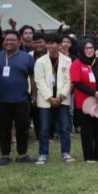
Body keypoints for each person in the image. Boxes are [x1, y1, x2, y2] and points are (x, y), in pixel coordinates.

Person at [0, 30, 35, 165]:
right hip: (1, 100)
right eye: (6, 40)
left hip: (22, 99)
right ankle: (5, 155)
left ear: (19, 42)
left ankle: (22, 154)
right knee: (4, 128)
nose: (8, 42)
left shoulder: (27, 57)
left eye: (12, 40)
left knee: (22, 128)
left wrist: (34, 94)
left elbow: (32, 76)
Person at [33, 33, 74, 164]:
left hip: (63, 99)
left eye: (53, 43)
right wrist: (50, 98)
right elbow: (39, 81)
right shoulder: (40, 61)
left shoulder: (67, 60)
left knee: (64, 128)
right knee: (44, 129)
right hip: (46, 100)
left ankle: (66, 152)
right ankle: (43, 154)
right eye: (48, 43)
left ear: (59, 44)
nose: (50, 46)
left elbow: (69, 80)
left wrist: (61, 96)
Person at [71, 39, 98, 162]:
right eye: (86, 48)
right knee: (87, 130)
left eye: (91, 48)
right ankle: (89, 156)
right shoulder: (77, 63)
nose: (89, 50)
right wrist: (94, 93)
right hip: (85, 102)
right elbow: (76, 82)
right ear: (82, 50)